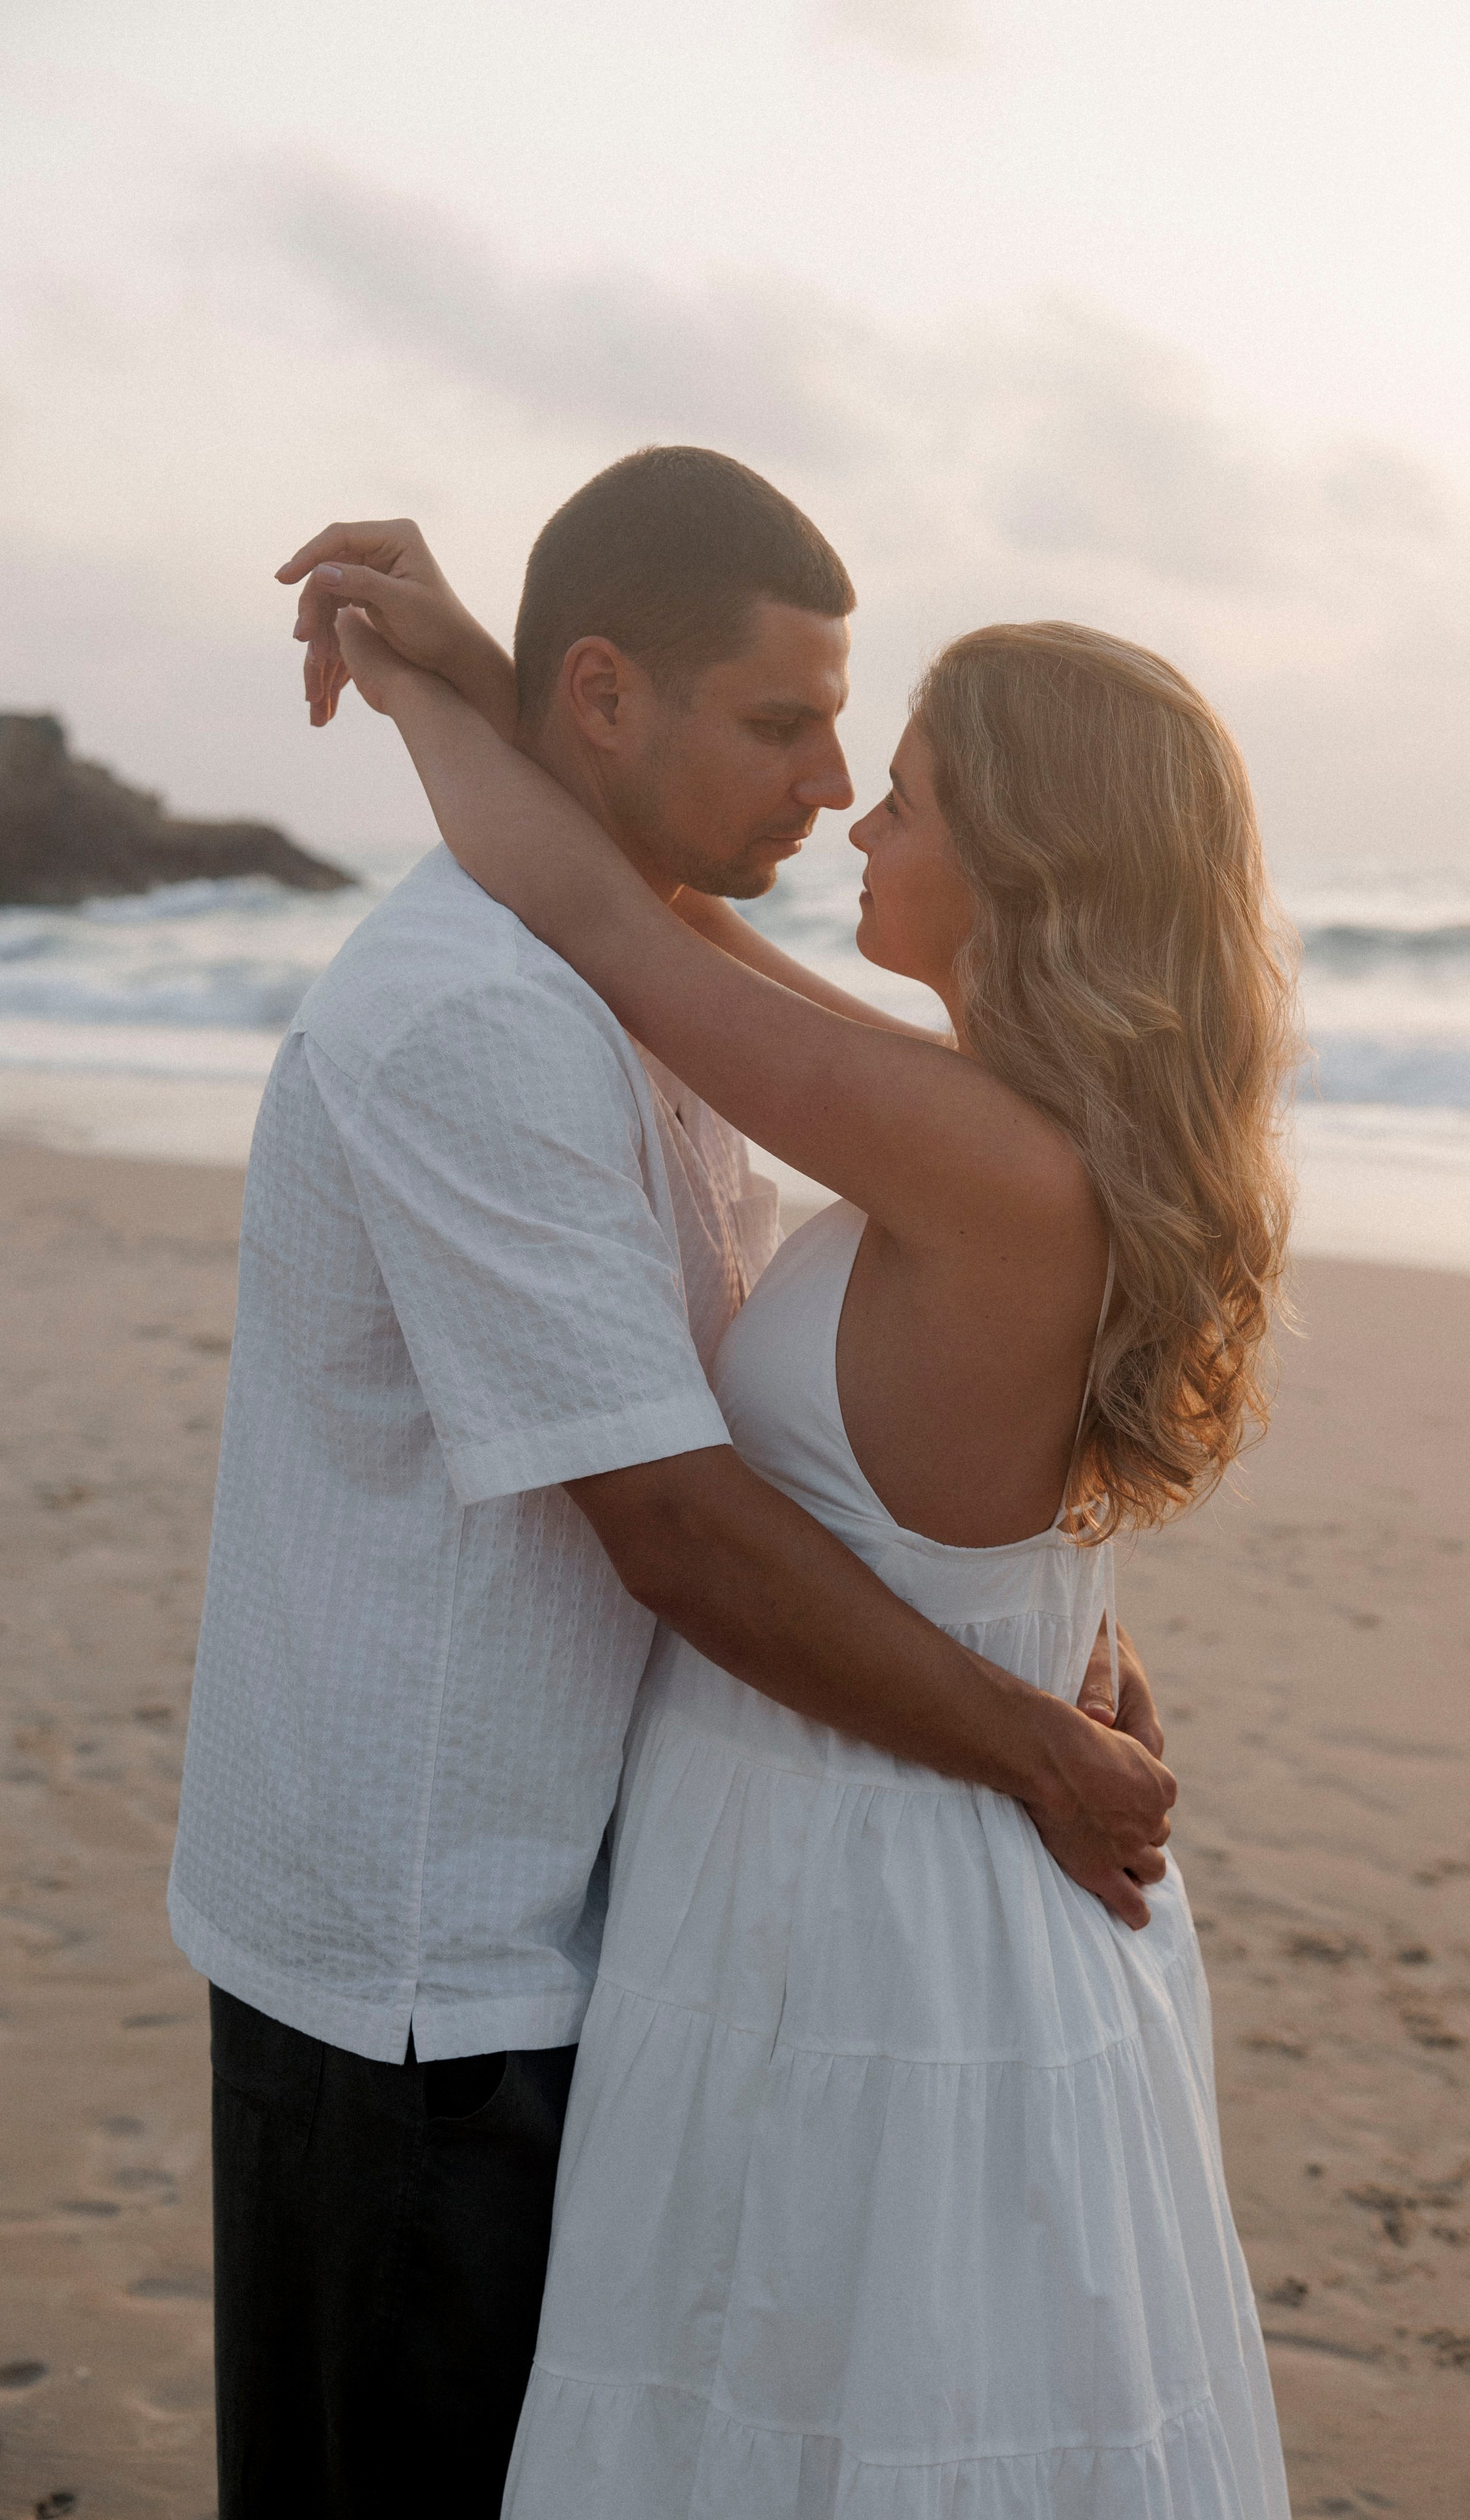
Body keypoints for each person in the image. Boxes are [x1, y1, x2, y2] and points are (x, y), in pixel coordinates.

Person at [169, 449, 1177, 2520]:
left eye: (863, 747)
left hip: (612, 1919)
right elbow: (679, 1521)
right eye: (787, 726)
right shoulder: (487, 1019)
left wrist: (1048, 1617)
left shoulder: (653, 984)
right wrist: (1035, 1738)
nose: (829, 788)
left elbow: (630, 916)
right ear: (611, 699)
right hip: (424, 1956)